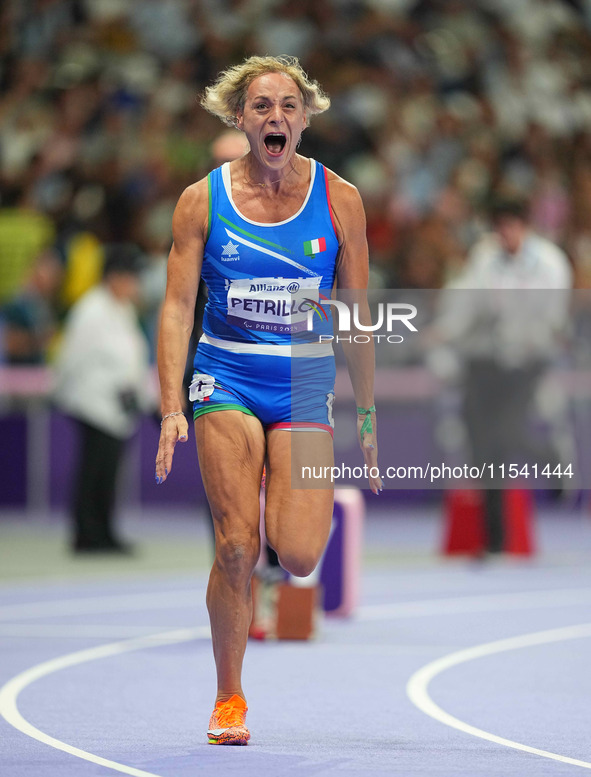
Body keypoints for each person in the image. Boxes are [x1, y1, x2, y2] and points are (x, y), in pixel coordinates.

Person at [155, 55, 381, 745]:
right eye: (260, 106)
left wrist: (366, 412)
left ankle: (287, 505)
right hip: (224, 375)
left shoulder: (340, 199)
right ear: (239, 118)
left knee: (301, 553)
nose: (274, 116)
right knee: (233, 547)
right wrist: (170, 404)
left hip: (303, 382)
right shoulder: (201, 200)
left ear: (305, 117)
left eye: (287, 105)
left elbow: (356, 310)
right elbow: (174, 306)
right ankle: (229, 697)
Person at [433, 197, 573, 553]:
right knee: (480, 445)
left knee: (507, 432)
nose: (504, 234)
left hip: (528, 361)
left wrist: (528, 346)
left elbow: (552, 320)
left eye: (511, 226)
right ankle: (494, 540)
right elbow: (469, 303)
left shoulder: (550, 265)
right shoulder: (485, 257)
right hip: (487, 361)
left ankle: (550, 457)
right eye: (500, 227)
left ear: (525, 227)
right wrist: (446, 331)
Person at [54, 243, 152, 553]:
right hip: (93, 406)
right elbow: (71, 359)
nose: (135, 286)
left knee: (107, 474)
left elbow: (130, 360)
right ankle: (87, 534)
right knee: (93, 472)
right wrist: (67, 396)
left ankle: (104, 532)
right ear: (114, 277)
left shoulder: (122, 309)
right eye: (131, 278)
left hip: (117, 409)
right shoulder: (90, 310)